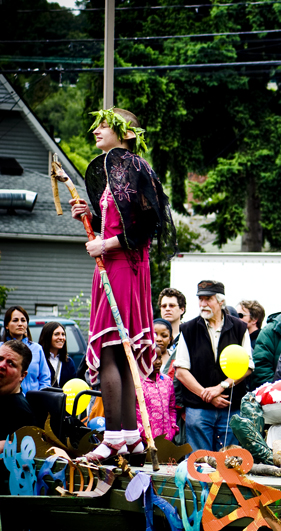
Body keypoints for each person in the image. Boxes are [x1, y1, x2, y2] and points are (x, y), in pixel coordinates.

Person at [70, 107, 176, 462]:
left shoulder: (131, 166)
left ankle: (113, 436)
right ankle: (129, 435)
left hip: (122, 266)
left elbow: (148, 227)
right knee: (121, 350)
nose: (96, 131)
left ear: (126, 134)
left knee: (111, 350)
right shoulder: (115, 171)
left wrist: (106, 244)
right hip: (113, 266)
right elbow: (118, 220)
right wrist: (91, 215)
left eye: (104, 126)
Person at [174, 280, 253, 452]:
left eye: (208, 299)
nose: (203, 304)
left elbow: (247, 366)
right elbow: (180, 371)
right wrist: (207, 395)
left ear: (220, 301)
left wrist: (220, 387)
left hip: (231, 407)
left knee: (229, 464)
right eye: (200, 299)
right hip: (198, 409)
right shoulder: (188, 329)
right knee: (200, 464)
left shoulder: (239, 328)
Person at [2, 306, 49, 394]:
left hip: (34, 403)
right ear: (7, 325)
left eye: (23, 320)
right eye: (15, 320)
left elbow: (45, 379)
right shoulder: (1, 348)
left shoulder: (37, 348)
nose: (20, 324)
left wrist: (41, 397)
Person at [0, 340, 35, 452]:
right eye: (0, 359)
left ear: (22, 375)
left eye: (11, 363)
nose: (2, 365)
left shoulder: (20, 412)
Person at [136, 354, 178, 442]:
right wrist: (142, 432)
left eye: (159, 358)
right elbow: (131, 410)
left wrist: (172, 428)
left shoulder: (167, 381)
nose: (158, 362)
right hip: (144, 439)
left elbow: (171, 408)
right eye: (154, 358)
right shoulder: (136, 382)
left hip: (166, 438)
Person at [39, 321, 77, 388]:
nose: (61, 337)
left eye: (63, 334)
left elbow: (73, 385)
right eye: (56, 334)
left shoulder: (68, 362)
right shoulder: (39, 360)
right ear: (47, 336)